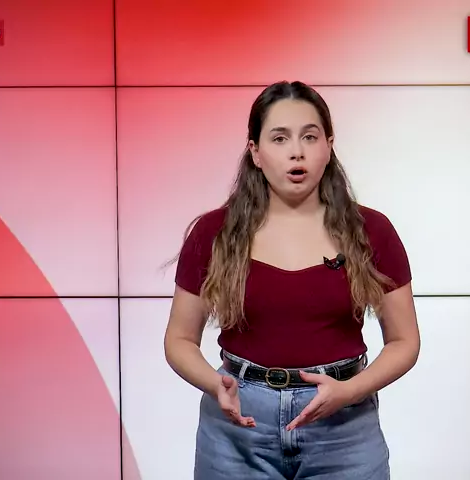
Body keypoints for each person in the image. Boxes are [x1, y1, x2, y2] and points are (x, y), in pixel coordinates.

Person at [163, 80, 420, 480]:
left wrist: (350, 392)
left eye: (309, 137)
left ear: (329, 147)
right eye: (280, 138)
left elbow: (404, 341)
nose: (296, 151)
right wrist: (215, 384)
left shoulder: (371, 230)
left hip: (345, 429)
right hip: (238, 426)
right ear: (256, 152)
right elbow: (179, 340)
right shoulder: (214, 233)